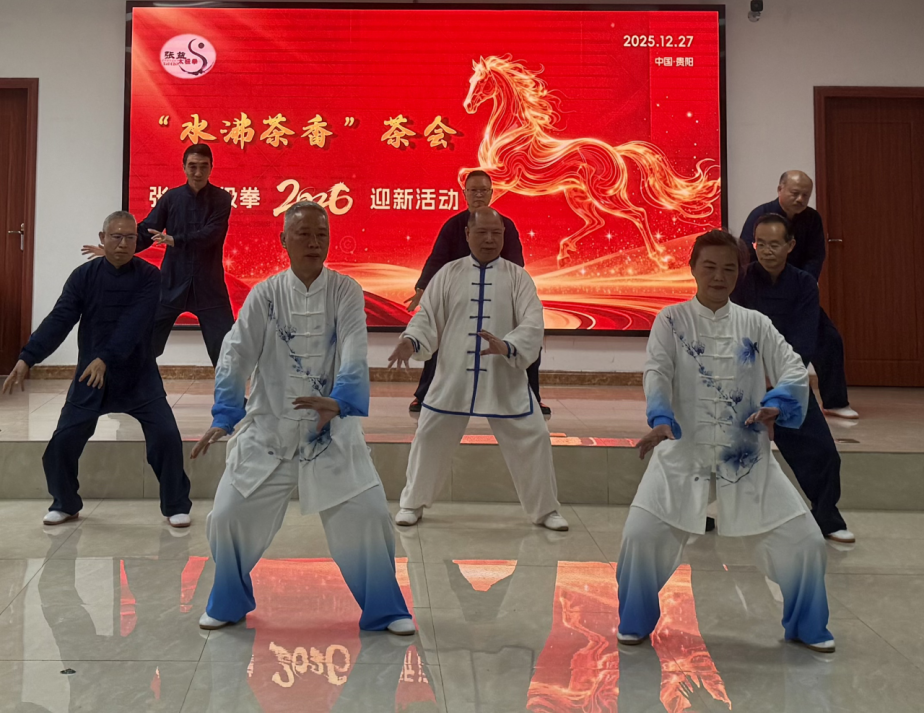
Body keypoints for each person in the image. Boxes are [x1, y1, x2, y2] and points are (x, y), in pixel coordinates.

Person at [191, 201, 414, 636]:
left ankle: (385, 609)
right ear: (284, 241)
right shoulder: (265, 294)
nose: (314, 243)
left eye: (321, 235)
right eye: (304, 234)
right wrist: (226, 413)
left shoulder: (345, 290)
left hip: (330, 432)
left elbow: (354, 348)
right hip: (269, 429)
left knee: (370, 516)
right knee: (227, 515)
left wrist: (341, 400)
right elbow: (235, 353)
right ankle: (229, 601)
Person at [616, 229, 834, 653]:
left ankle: (806, 626)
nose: (719, 277)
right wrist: (661, 417)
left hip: (747, 458)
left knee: (806, 542)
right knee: (639, 537)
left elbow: (793, 368)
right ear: (693, 269)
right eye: (710, 267)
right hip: (682, 451)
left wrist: (777, 402)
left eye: (729, 269)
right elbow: (657, 371)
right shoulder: (670, 320)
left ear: (739, 273)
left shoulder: (755, 323)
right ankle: (636, 620)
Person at [2, 212, 192, 527]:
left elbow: (134, 324)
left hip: (138, 376)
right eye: (116, 237)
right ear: (102, 238)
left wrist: (106, 357)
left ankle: (175, 505)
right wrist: (27, 357)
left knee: (166, 437)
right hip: (91, 377)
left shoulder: (149, 276)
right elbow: (60, 318)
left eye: (130, 237)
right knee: (62, 442)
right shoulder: (84, 277)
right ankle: (65, 503)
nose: (123, 243)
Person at [389, 207, 568, 531]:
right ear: (468, 234)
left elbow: (533, 323)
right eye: (482, 232)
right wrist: (411, 341)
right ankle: (412, 503)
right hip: (453, 379)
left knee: (535, 437)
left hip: (504, 379)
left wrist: (508, 345)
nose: (489, 239)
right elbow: (427, 318)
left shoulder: (518, 278)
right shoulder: (448, 274)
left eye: (496, 233)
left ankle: (545, 511)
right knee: (428, 436)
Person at [732, 214, 855, 544]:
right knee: (713, 445)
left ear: (790, 246)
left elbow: (802, 341)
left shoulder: (803, 284)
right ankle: (703, 513)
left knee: (822, 451)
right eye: (760, 244)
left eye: (775, 244)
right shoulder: (741, 281)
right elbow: (733, 334)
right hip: (743, 380)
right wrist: (754, 377)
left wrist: (778, 384)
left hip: (787, 379)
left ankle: (827, 518)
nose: (767, 251)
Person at [404, 170, 550, 419]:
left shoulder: (505, 225)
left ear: (492, 194)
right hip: (460, 301)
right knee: (437, 333)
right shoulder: (453, 225)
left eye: (483, 190)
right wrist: (422, 288)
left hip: (500, 299)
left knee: (527, 339)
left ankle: (532, 397)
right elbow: (437, 259)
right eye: (473, 190)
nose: (478, 195)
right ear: (465, 194)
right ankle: (425, 394)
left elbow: (516, 266)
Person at [83, 144, 234, 367]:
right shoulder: (171, 198)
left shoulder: (221, 199)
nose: (198, 172)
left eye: (204, 166)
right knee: (144, 344)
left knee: (227, 351)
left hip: (209, 286)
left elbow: (211, 234)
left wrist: (175, 240)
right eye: (192, 166)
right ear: (184, 167)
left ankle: (229, 391)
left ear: (212, 167)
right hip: (172, 283)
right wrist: (114, 248)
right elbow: (147, 231)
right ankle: (132, 386)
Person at [741, 171, 858, 419]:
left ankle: (834, 401)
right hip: (759, 290)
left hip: (796, 290)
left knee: (828, 339)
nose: (800, 199)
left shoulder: (812, 219)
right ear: (780, 189)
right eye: (795, 193)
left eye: (806, 195)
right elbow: (745, 254)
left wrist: (803, 283)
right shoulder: (760, 216)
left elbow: (816, 256)